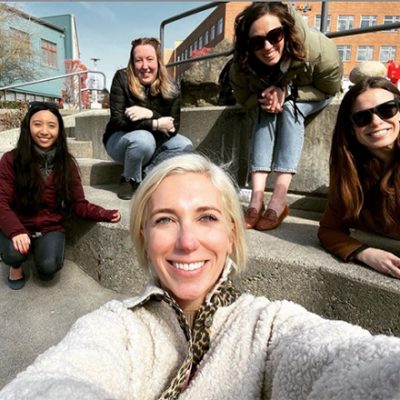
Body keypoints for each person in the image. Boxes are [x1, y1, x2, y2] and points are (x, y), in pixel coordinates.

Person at [2, 153, 400, 399]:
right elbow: (62, 377)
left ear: (231, 231)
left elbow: (346, 363)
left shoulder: (270, 326)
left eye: (206, 217)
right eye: (165, 220)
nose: (187, 242)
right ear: (144, 234)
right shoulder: (114, 328)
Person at [230, 2, 342, 230]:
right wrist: (265, 97)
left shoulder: (320, 50)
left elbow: (330, 88)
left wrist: (289, 92)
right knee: (264, 107)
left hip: (315, 92)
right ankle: (256, 200)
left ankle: (279, 200)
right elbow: (244, 98)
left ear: (287, 31)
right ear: (247, 44)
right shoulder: (241, 64)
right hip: (272, 95)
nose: (267, 46)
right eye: (257, 41)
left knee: (290, 108)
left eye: (275, 35)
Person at [0, 102, 121, 290]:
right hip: (19, 222)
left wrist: (103, 213)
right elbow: (1, 203)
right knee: (14, 254)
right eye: (37, 124)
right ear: (27, 127)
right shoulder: (10, 160)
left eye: (51, 125)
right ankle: (16, 264)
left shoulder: (67, 163)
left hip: (49, 226)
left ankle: (37, 248)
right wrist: (15, 230)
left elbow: (77, 203)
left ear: (59, 130)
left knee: (48, 268)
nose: (44, 131)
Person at [318, 77, 400, 279]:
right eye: (362, 117)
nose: (376, 121)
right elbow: (329, 230)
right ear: (352, 130)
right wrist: (365, 253)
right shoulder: (350, 172)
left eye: (387, 109)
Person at [103, 37, 193, 200]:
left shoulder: (172, 86)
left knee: (184, 145)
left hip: (154, 141)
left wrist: (150, 113)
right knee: (143, 139)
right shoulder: (121, 78)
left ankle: (147, 174)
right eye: (138, 60)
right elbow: (118, 120)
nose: (144, 66)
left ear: (158, 61)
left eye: (150, 59)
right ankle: (129, 179)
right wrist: (156, 123)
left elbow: (173, 127)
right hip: (120, 139)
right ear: (132, 63)